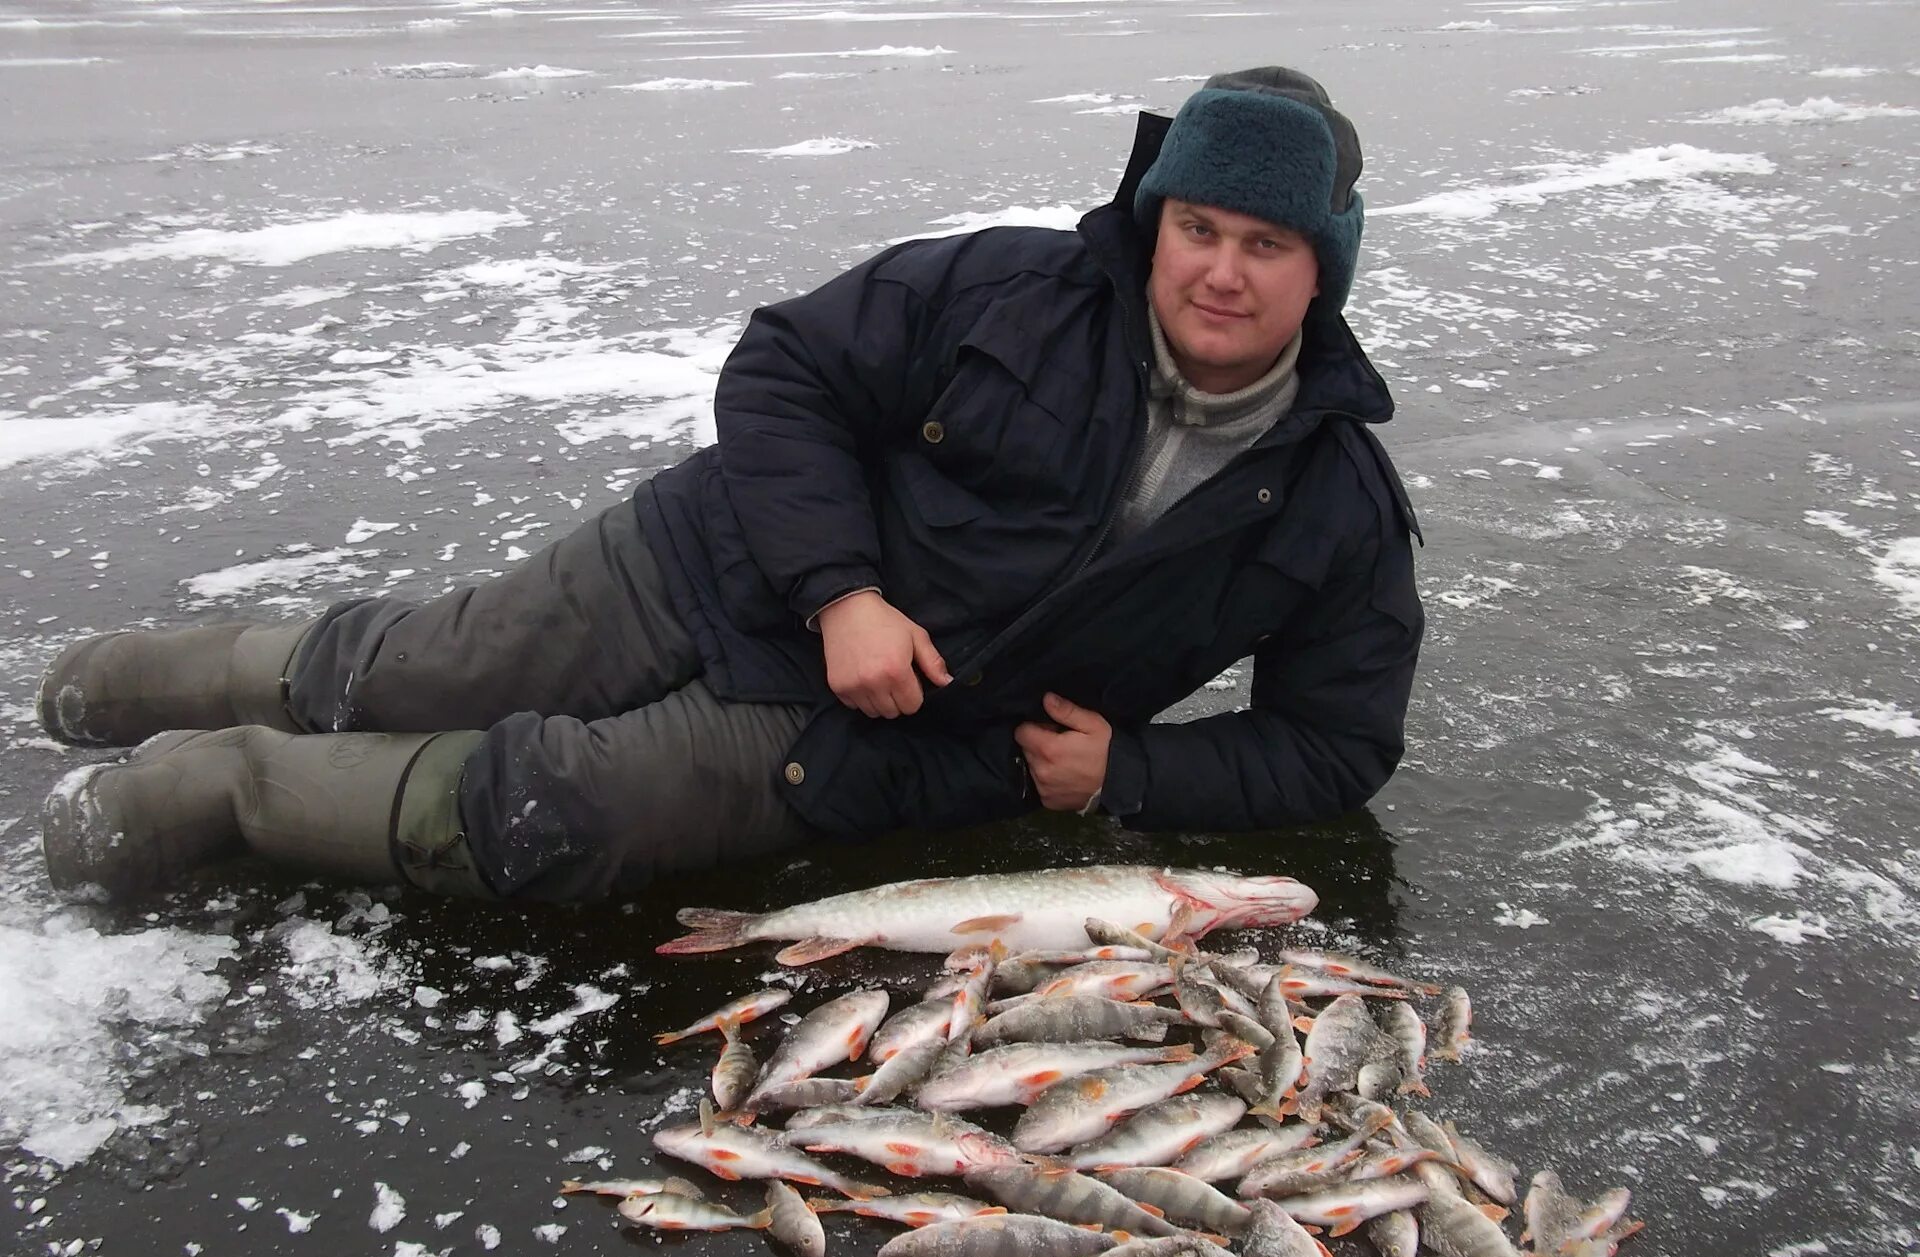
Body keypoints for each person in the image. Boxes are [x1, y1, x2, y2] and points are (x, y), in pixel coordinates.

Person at [37, 65, 1424, 905]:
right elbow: (785, 370)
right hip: (718, 557)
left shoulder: (1334, 504)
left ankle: (227, 794)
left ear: (1326, 269)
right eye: (1197, 226)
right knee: (432, 665)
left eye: (1267, 242)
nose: (1220, 271)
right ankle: (136, 679)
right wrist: (845, 588)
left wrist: (1135, 769)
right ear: (1157, 217)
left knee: (560, 815)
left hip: (883, 741)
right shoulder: (1012, 288)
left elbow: (1339, 745)